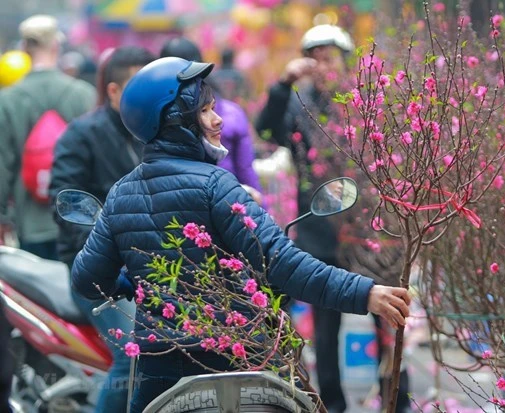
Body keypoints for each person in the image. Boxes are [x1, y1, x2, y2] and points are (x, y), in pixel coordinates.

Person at [69, 57, 411, 412]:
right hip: (232, 357)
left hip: (159, 365)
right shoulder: (216, 186)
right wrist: (364, 293)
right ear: (176, 121)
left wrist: (134, 285)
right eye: (205, 111)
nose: (218, 120)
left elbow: (87, 278)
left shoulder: (121, 194)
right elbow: (280, 262)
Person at [255, 24, 412, 413]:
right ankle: (333, 404)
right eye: (316, 56)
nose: (324, 64)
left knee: (390, 320)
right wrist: (283, 83)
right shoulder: (298, 103)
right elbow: (267, 130)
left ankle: (398, 400)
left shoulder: (368, 104)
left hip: (371, 232)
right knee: (326, 329)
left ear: (346, 60)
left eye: (331, 55)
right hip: (318, 230)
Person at [49, 46, 155, 413]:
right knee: (134, 354)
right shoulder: (82, 135)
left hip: (151, 268)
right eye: (136, 87)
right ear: (112, 91)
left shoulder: (154, 132)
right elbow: (64, 202)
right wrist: (106, 251)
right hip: (97, 272)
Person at [0, 15, 96, 259]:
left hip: (30, 222)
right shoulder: (83, 94)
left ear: (24, 48)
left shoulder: (7, 100)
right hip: (80, 221)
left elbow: (2, 165)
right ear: (56, 46)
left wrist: (2, 217)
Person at [160, 37, 263, 202]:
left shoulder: (156, 116)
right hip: (229, 201)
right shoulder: (231, 112)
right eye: (204, 110)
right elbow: (245, 168)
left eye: (210, 109)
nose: (216, 120)